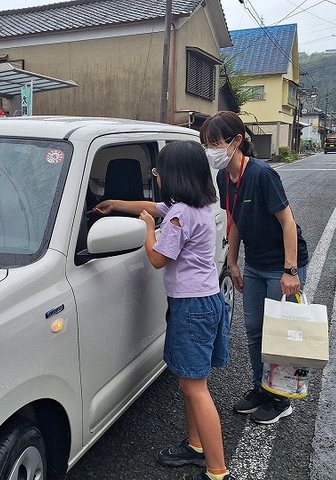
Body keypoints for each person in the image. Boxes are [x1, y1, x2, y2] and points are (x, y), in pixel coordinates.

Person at [94, 141, 235, 480]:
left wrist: (146, 229)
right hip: (206, 301)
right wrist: (116, 204)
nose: (156, 177)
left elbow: (157, 258)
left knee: (195, 388)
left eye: (158, 172)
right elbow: (152, 206)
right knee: (192, 382)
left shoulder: (178, 216)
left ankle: (217, 471)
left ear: (173, 176)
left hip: (190, 308)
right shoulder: (197, 205)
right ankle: (196, 445)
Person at [199, 111, 309, 425]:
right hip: (255, 263)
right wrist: (232, 262)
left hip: (282, 264)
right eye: (207, 144)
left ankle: (282, 397)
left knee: (280, 331)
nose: (211, 151)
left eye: (215, 143)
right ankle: (262, 388)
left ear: (236, 141)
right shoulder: (224, 177)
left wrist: (290, 271)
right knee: (254, 329)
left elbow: (288, 222)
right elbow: (234, 223)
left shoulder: (262, 174)